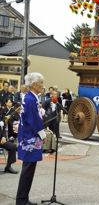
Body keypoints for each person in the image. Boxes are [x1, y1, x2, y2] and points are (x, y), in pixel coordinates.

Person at [16, 72, 46, 205]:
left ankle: (23, 198)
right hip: (30, 138)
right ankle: (22, 200)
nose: (42, 86)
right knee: (28, 170)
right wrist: (43, 134)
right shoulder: (30, 99)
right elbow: (33, 120)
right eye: (41, 83)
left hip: (27, 136)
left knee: (28, 169)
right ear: (34, 85)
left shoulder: (29, 97)